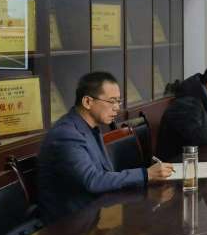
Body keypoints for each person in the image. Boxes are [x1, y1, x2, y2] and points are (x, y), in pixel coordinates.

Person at [38, 72, 174, 224]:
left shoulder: (90, 127)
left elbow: (105, 172)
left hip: (95, 213)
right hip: (68, 224)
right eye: (111, 101)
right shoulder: (66, 135)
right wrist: (145, 174)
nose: (117, 108)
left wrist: (146, 176)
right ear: (87, 102)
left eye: (118, 101)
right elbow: (93, 180)